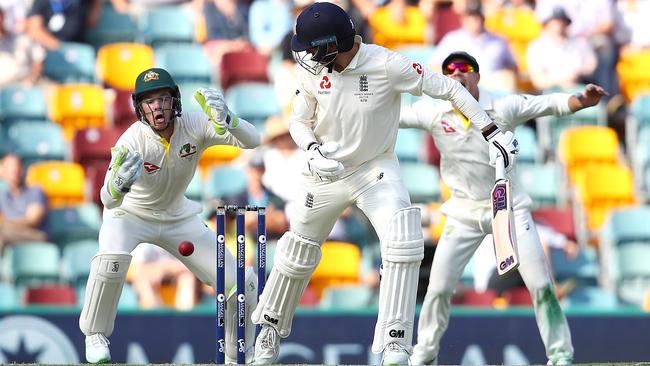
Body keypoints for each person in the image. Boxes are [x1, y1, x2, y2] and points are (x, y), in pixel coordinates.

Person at [250, 3, 519, 365]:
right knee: (298, 248)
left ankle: (395, 342)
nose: (307, 56)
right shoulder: (312, 71)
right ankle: (268, 333)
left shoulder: (387, 64)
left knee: (404, 239)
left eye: (314, 48)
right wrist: (312, 150)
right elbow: (298, 121)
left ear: (333, 44)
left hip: (375, 169)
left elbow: (451, 91)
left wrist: (491, 130)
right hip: (326, 169)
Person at [399, 51, 607, 365]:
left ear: (477, 76)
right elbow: (389, 117)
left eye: (464, 69)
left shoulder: (502, 105)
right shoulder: (434, 111)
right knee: (439, 289)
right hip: (464, 213)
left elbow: (546, 104)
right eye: (449, 71)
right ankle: (424, 355)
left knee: (541, 286)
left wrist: (581, 100)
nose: (457, 74)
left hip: (508, 209)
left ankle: (560, 355)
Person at [78, 67, 261, 364]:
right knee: (110, 260)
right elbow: (108, 200)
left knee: (242, 281)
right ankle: (95, 334)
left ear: (174, 100)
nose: (158, 107)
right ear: (139, 107)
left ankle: (237, 352)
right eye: (149, 101)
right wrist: (117, 184)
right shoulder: (131, 140)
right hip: (131, 214)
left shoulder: (194, 123)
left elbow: (252, 141)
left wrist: (230, 120)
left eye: (163, 98)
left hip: (178, 216)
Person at [0, 154, 48, 252]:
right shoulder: (3, 196)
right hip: (12, 234)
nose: (15, 171)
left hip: (36, 235)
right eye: (10, 168)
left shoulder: (35, 190)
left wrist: (7, 224)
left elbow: (33, 220)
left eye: (17, 167)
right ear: (2, 172)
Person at [26, 0, 101, 50]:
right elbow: (35, 29)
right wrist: (58, 47)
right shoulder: (41, 2)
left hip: (77, 47)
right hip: (50, 50)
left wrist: (94, 13)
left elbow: (95, 3)